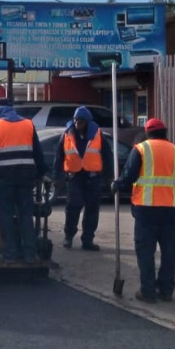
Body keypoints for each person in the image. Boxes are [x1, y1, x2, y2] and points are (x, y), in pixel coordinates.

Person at [113, 118, 175, 303]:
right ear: (165, 132)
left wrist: (117, 185)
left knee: (145, 251)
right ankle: (166, 290)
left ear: (147, 132)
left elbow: (128, 177)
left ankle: (148, 291)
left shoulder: (141, 149)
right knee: (169, 250)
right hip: (170, 209)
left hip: (146, 209)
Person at [0, 98, 48, 262]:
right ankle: (30, 254)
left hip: (4, 176)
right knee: (25, 214)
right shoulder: (28, 124)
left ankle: (10, 254)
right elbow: (38, 152)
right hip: (26, 176)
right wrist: (43, 172)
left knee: (7, 215)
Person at [61, 106, 114, 251]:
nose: (78, 124)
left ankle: (88, 240)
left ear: (88, 122)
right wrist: (56, 177)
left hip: (92, 177)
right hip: (74, 177)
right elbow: (60, 156)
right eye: (76, 121)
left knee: (92, 209)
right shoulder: (67, 134)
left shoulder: (98, 135)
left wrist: (110, 176)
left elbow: (107, 156)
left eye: (81, 122)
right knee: (73, 206)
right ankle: (69, 236)